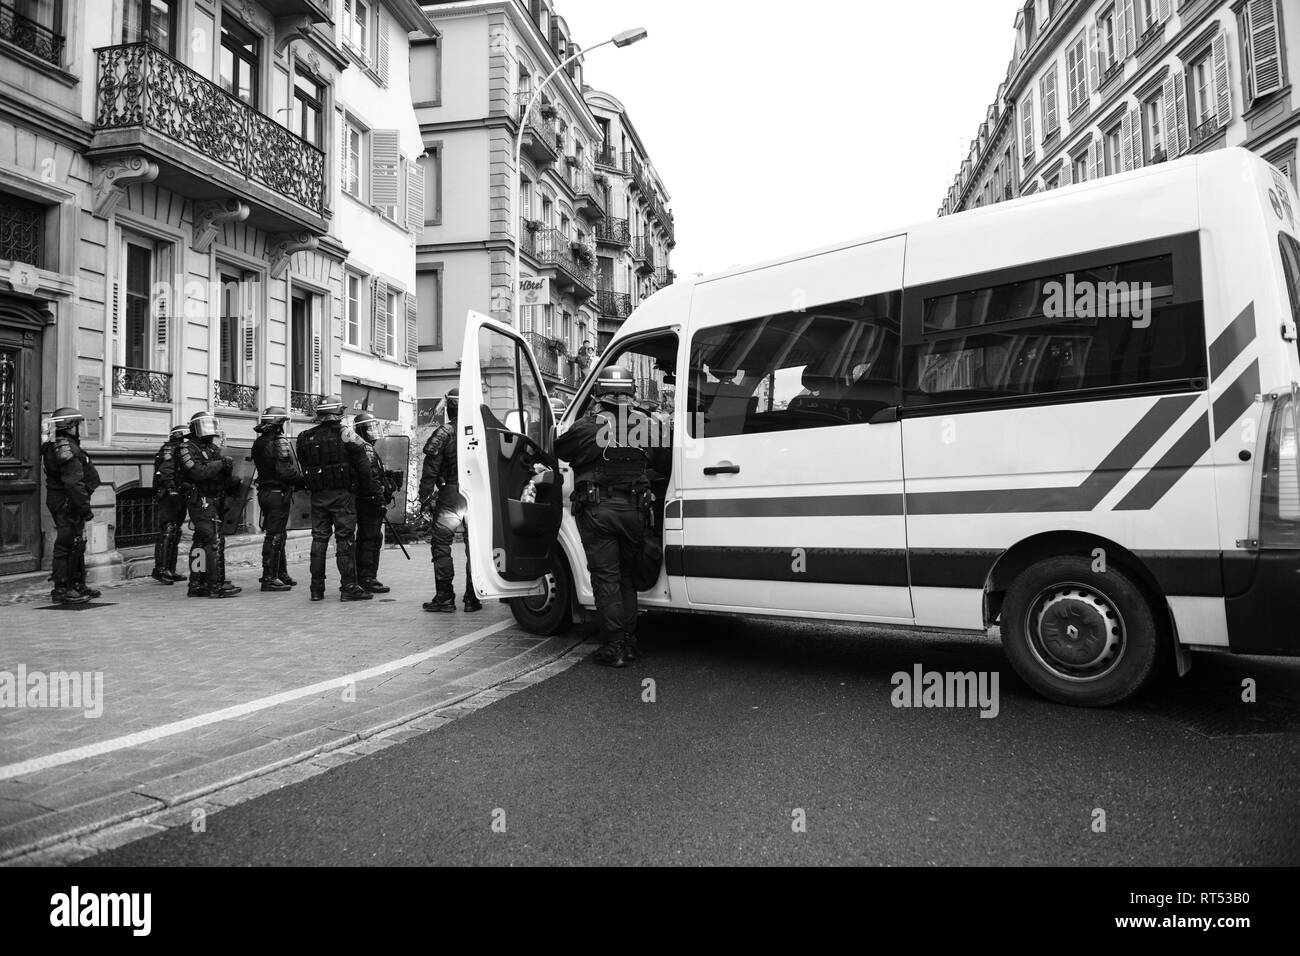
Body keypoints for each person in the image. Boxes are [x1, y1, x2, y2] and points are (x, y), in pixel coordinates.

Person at [555, 367, 669, 667]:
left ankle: (614, 647)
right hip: (636, 511)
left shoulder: (586, 426)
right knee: (627, 578)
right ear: (631, 394)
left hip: (599, 512)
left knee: (606, 579)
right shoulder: (649, 425)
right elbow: (664, 460)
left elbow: (560, 451)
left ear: (598, 395)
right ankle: (629, 643)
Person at [296, 395, 380, 602]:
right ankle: (349, 587)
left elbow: (304, 465)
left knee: (319, 539)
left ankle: (316, 589)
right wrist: (371, 493)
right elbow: (364, 468)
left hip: (318, 496)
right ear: (338, 414)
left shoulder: (304, 437)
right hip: (342, 497)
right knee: (345, 540)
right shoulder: (347, 435)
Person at [419, 387, 480, 613]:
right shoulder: (480, 433)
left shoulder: (444, 433)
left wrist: (424, 498)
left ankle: (444, 597)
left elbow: (430, 469)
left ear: (450, 407)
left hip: (451, 496)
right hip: (475, 495)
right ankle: (473, 597)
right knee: (474, 546)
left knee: (442, 544)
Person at [177, 410, 242, 599]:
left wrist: (234, 480)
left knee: (201, 542)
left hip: (214, 498)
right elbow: (198, 473)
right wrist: (221, 464)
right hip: (201, 500)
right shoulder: (186, 448)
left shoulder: (210, 448)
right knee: (214, 540)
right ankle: (216, 585)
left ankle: (198, 583)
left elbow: (219, 474)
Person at [41, 407, 101, 605]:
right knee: (66, 544)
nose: (79, 429)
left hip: (69, 502)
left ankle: (77, 584)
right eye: (77, 425)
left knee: (76, 543)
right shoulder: (65, 448)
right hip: (68, 503)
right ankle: (62, 588)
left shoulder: (61, 444)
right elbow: (73, 483)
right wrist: (85, 508)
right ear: (68, 426)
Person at [252, 406, 305, 593]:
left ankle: (280, 573)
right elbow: (285, 471)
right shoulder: (279, 441)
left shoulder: (258, 443)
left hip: (265, 492)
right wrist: (303, 480)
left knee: (278, 533)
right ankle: (269, 577)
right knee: (275, 535)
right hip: (278, 492)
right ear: (277, 424)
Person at [351, 411, 400, 594]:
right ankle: (367, 578)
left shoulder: (362, 447)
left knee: (368, 538)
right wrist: (380, 499)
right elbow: (370, 477)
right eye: (369, 428)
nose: (373, 432)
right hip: (369, 501)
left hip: (365, 499)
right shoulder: (365, 449)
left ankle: (364, 576)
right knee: (370, 539)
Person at [150, 423, 190, 585]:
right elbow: (166, 472)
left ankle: (170, 569)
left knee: (175, 531)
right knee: (168, 530)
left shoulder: (179, 450)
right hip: (169, 496)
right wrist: (172, 490)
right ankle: (161, 569)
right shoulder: (170, 449)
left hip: (179, 494)